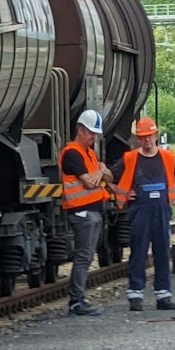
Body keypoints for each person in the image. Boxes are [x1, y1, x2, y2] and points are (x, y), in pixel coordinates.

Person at [114, 116, 175, 312]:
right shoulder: (130, 159)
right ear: (138, 139)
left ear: (156, 135)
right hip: (140, 212)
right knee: (138, 252)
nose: (146, 140)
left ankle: (163, 295)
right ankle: (135, 295)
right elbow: (110, 178)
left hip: (162, 212)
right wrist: (121, 192)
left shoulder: (168, 157)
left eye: (149, 136)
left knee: (162, 252)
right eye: (142, 137)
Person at [58, 109, 113, 316]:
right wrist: (100, 171)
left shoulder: (88, 152)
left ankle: (78, 299)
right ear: (80, 130)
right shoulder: (72, 153)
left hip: (92, 212)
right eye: (91, 133)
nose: (94, 137)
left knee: (87, 256)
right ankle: (76, 301)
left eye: (96, 133)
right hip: (82, 213)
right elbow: (91, 182)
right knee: (83, 257)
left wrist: (101, 172)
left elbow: (109, 177)